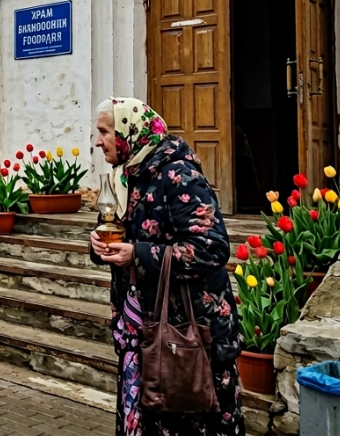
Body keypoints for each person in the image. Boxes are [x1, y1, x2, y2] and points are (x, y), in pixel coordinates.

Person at [88, 97, 243, 436]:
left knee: (194, 421)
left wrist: (138, 254)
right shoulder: (124, 177)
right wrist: (99, 247)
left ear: (130, 132)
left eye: (104, 132)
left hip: (190, 335)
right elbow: (120, 233)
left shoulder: (177, 174)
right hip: (146, 331)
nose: (97, 142)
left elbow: (211, 248)